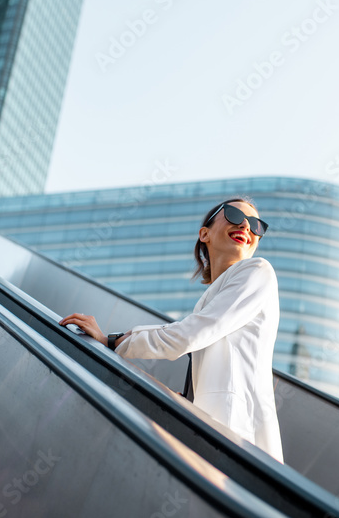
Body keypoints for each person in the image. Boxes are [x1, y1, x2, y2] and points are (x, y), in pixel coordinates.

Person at [60, 198, 284, 462]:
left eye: (257, 224)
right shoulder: (210, 300)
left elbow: (189, 334)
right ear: (205, 234)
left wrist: (113, 341)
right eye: (234, 215)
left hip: (241, 440)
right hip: (216, 436)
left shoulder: (258, 271)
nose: (246, 225)